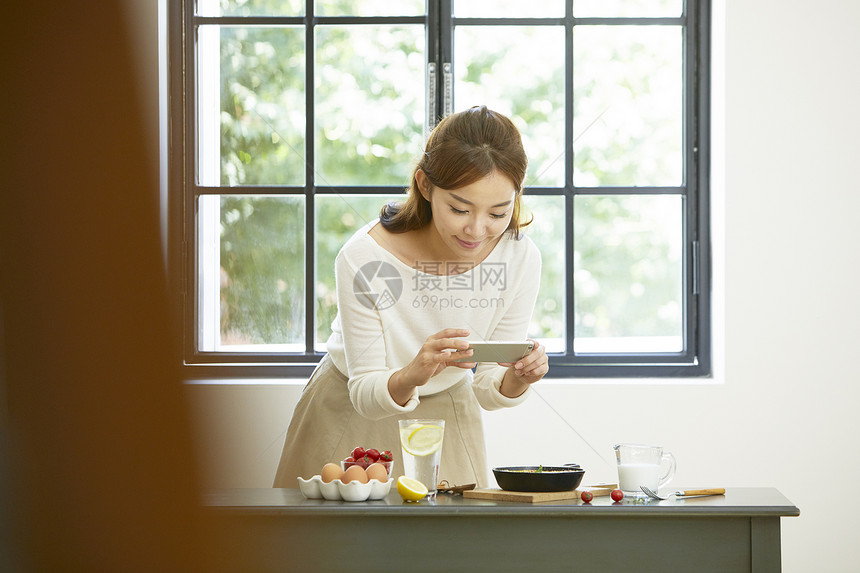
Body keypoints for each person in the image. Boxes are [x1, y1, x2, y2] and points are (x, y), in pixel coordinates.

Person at [273, 105, 548, 489]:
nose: (477, 229)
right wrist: (413, 373)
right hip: (350, 408)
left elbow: (487, 386)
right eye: (459, 208)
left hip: (447, 415)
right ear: (424, 185)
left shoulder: (519, 257)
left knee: (447, 549)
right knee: (326, 548)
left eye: (499, 213)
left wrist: (519, 377)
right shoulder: (365, 257)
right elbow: (365, 391)